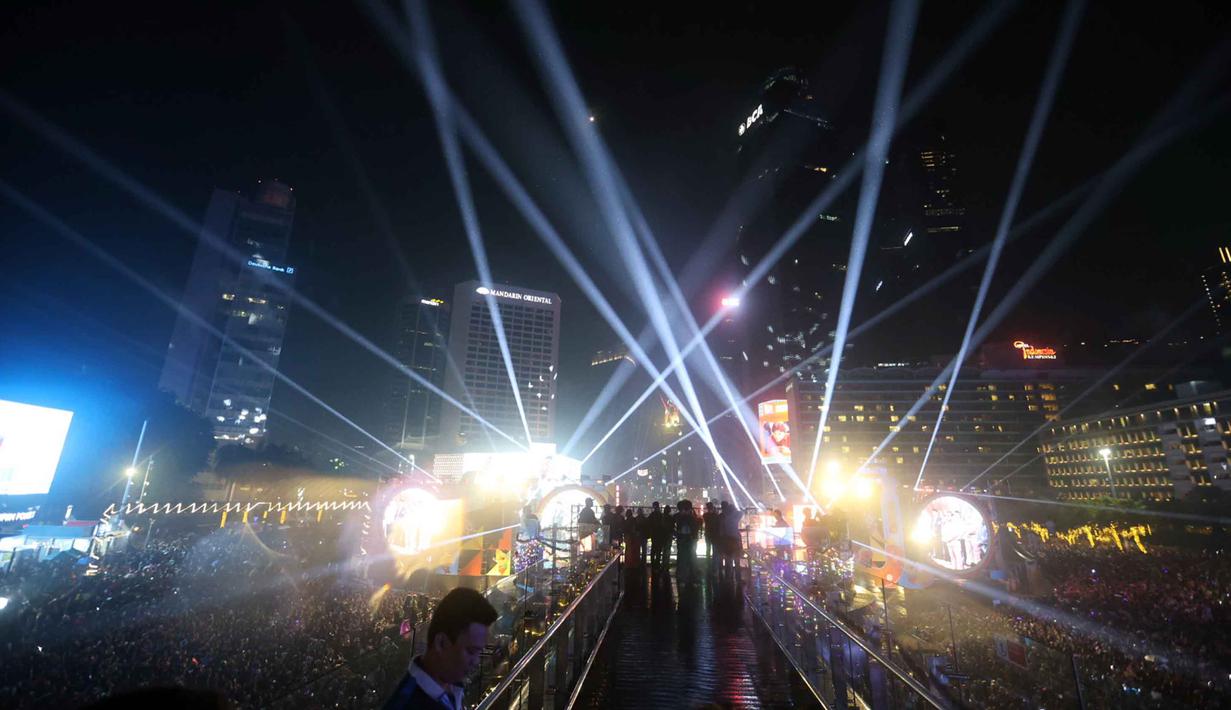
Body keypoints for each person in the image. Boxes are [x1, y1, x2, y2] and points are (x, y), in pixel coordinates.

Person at [384, 587, 498, 709]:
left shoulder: (452, 684)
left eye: (479, 651)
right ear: (441, 643)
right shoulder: (406, 704)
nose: (476, 661)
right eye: (471, 651)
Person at [674, 500, 699, 584]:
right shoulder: (692, 517)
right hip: (690, 539)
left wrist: (677, 534)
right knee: (692, 558)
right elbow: (696, 527)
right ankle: (692, 578)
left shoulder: (679, 517)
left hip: (683, 539)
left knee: (682, 558)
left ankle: (683, 578)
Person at [719, 501, 743, 575]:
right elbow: (741, 512)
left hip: (727, 541)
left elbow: (721, 531)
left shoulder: (724, 518)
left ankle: (728, 577)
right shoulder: (735, 518)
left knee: (728, 560)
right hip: (735, 540)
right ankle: (738, 577)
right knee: (737, 560)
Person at [652, 504, 673, 569]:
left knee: (658, 550)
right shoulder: (669, 518)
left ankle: (656, 564)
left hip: (660, 536)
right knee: (666, 551)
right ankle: (664, 565)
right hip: (667, 536)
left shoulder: (660, 516)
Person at [702, 501, 720, 566]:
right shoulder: (716, 516)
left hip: (708, 534)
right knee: (715, 551)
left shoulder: (705, 515)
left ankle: (708, 564)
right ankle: (714, 565)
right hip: (715, 535)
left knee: (708, 550)